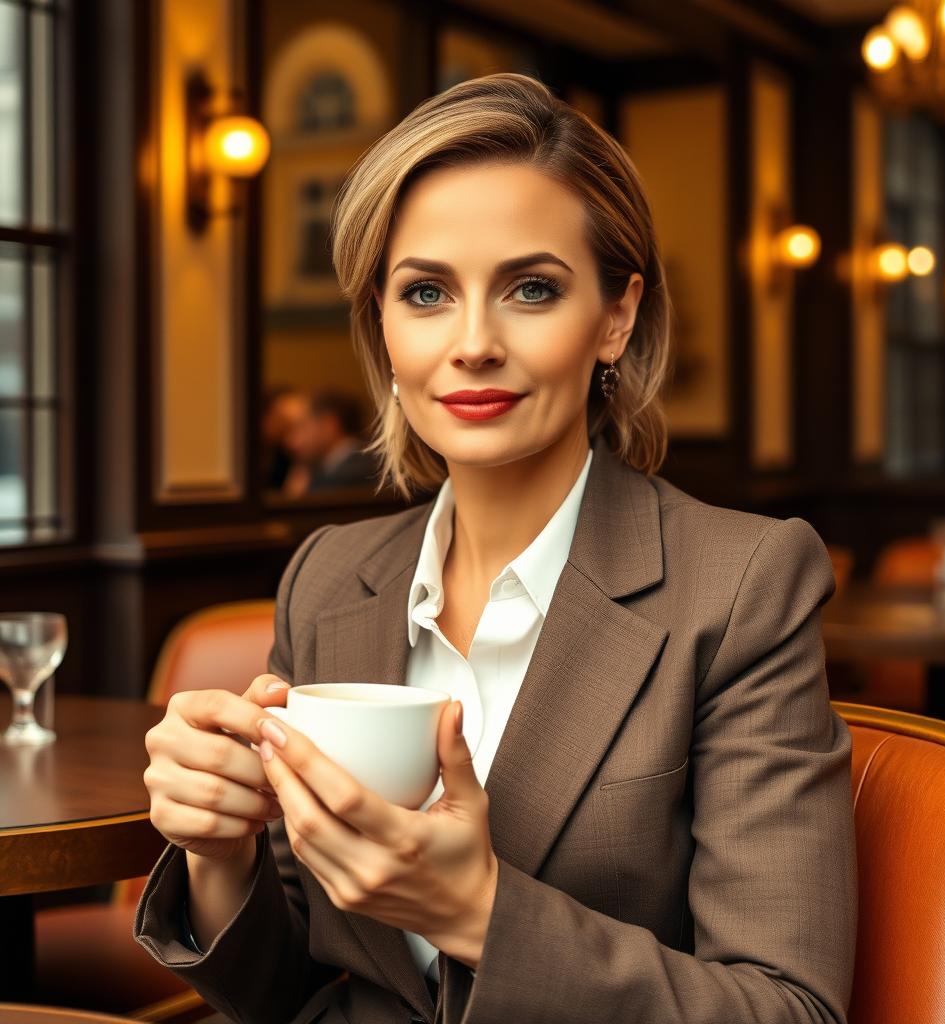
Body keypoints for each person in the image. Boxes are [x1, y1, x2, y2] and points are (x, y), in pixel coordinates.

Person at [134, 73, 857, 1024]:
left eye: (531, 289)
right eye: (426, 291)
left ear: (616, 316)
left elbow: (790, 1010)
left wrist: (478, 913)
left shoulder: (742, 585)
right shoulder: (326, 581)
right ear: (383, 328)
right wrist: (217, 852)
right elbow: (290, 992)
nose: (472, 343)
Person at [283, 391, 378, 494]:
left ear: (329, 425)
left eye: (302, 427)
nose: (292, 442)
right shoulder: (323, 471)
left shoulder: (355, 473)